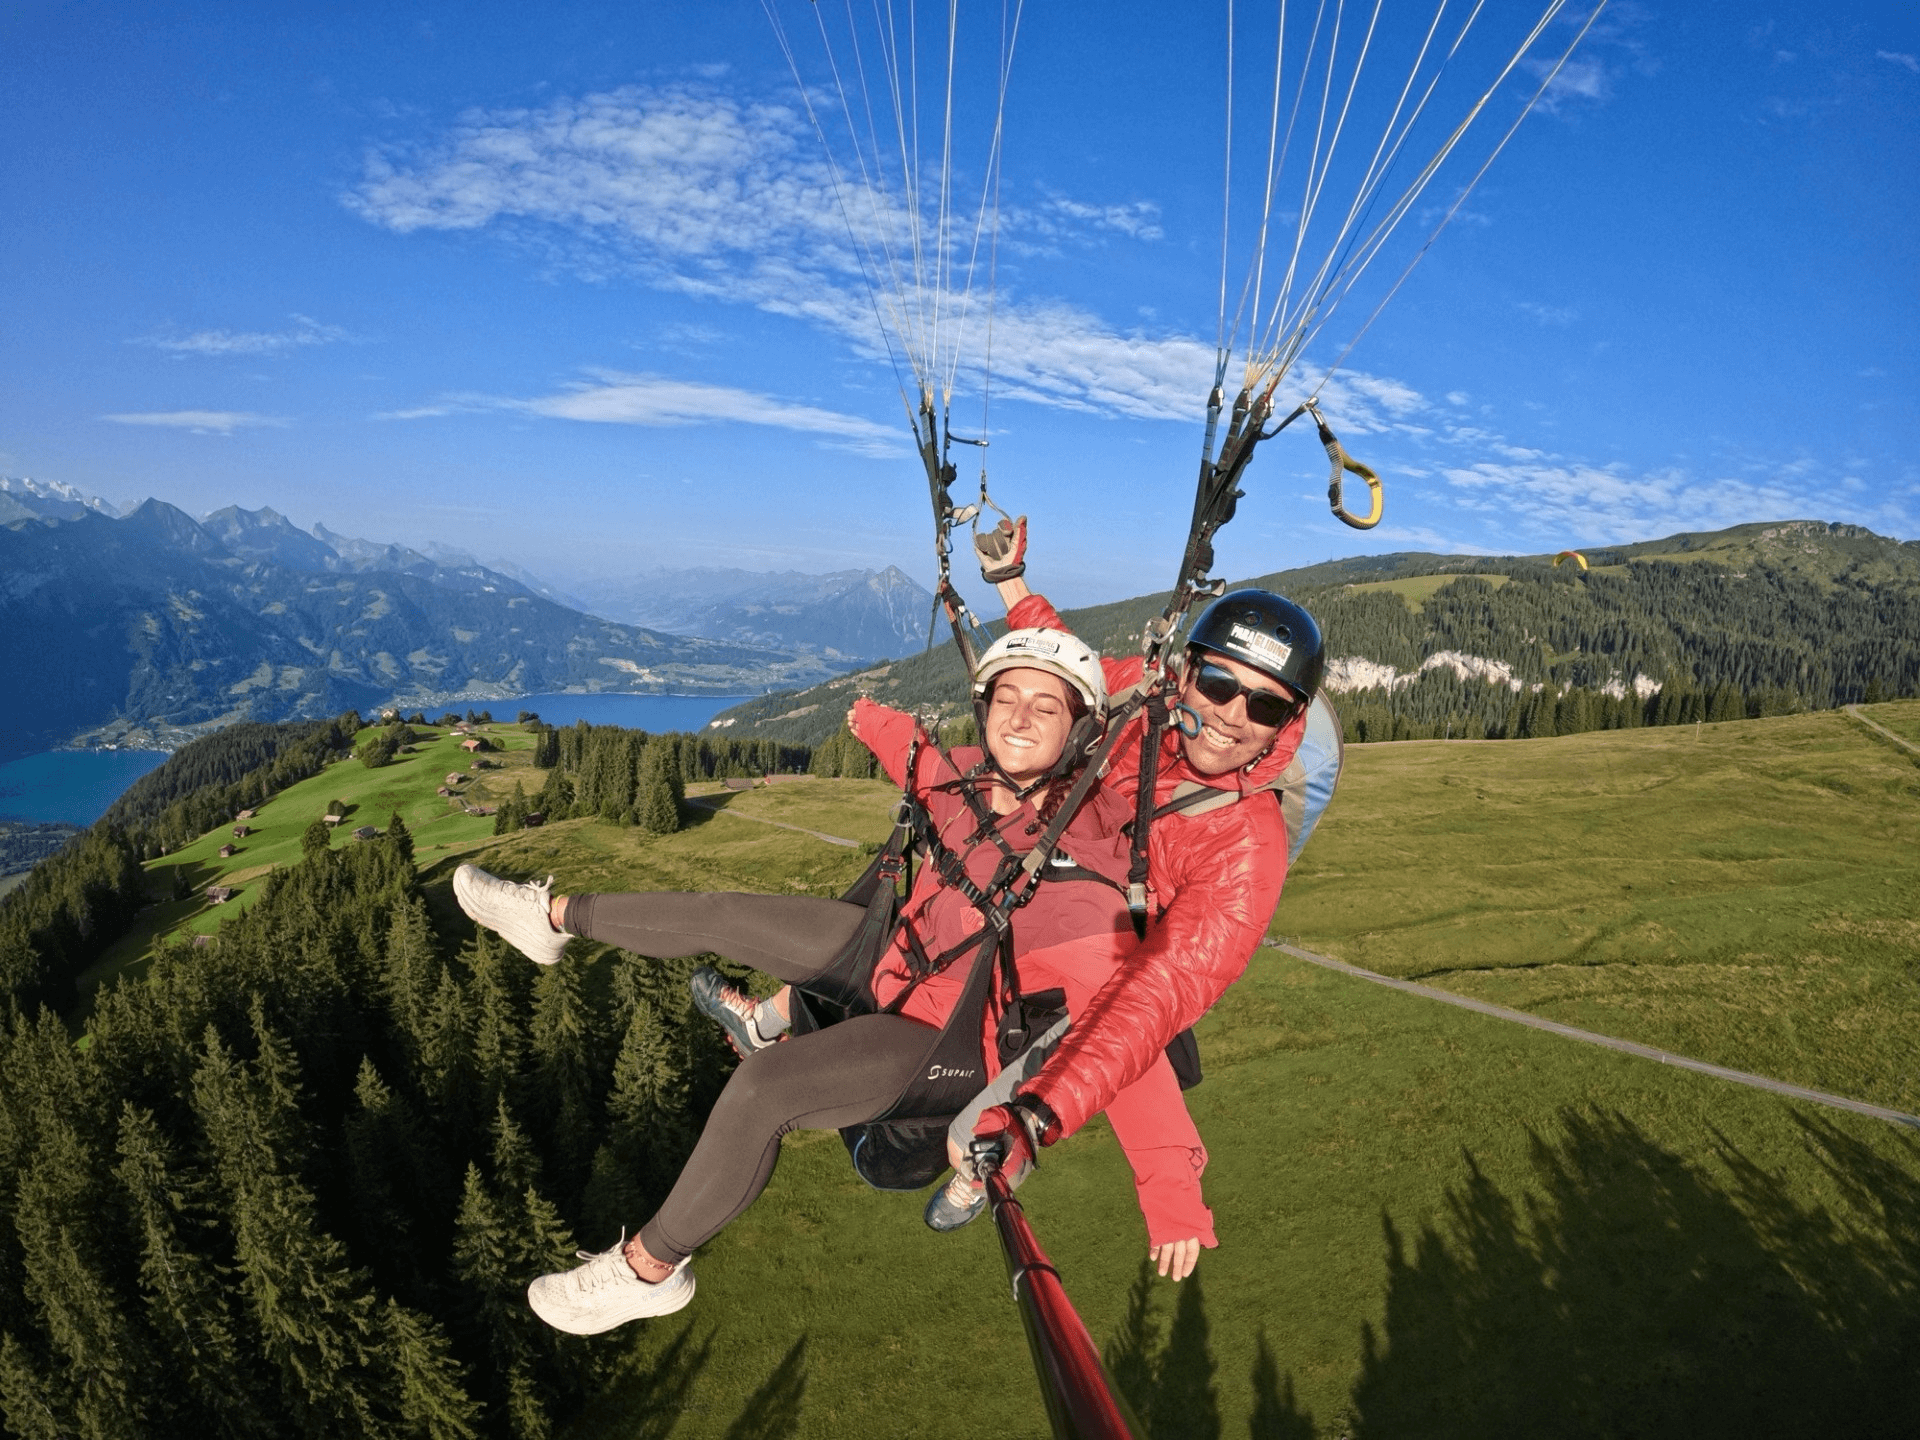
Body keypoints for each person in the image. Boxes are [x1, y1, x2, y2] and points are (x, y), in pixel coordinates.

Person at [452, 628, 1213, 1334]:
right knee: (727, 914)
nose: (1018, 716)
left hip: (939, 1039)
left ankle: (646, 1269)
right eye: (1004, 698)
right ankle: (547, 917)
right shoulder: (970, 786)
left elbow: (1127, 1035)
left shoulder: (1083, 885)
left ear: (1080, 731)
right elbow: (914, 754)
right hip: (895, 959)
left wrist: (1170, 1188)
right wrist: (870, 717)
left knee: (765, 1089)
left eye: (1044, 706)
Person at [961, 517, 1340, 1188]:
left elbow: (1159, 994)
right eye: (1220, 686)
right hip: (1045, 889)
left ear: (1291, 723)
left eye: (1265, 708)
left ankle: (987, 1147)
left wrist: (1038, 1117)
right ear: (1185, 673)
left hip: (1107, 968)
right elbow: (1071, 665)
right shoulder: (1148, 702)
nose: (1231, 716)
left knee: (950, 1098)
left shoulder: (1247, 846)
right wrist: (1009, 580)